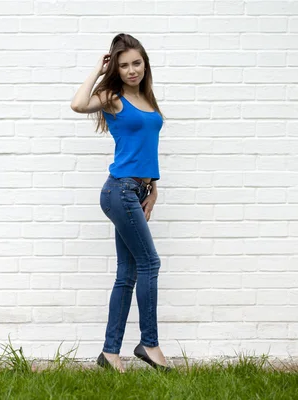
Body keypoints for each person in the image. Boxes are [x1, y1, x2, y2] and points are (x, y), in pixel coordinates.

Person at [70, 33, 170, 373]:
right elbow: (78, 104)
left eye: (136, 63)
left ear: (145, 64)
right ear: (116, 67)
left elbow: (145, 147)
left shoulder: (146, 97)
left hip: (139, 191)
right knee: (150, 264)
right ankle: (150, 343)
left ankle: (110, 354)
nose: (131, 70)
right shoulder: (112, 97)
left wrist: (153, 188)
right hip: (120, 191)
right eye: (124, 65)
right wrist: (97, 72)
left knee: (127, 272)